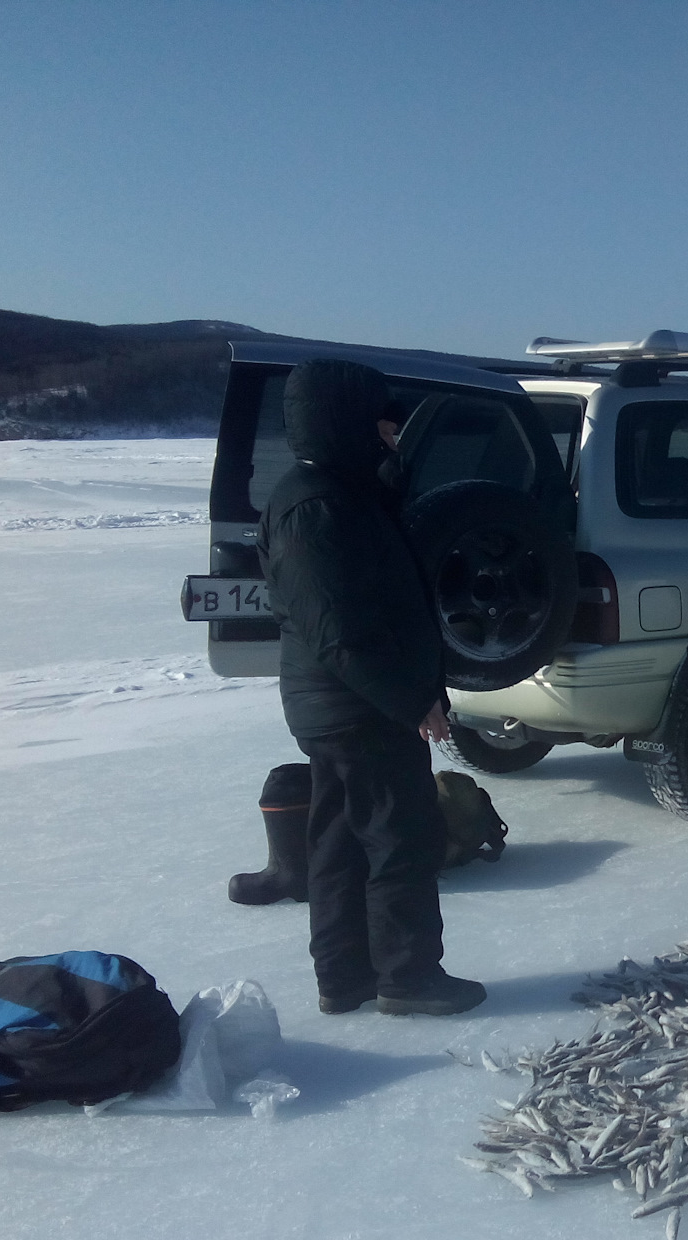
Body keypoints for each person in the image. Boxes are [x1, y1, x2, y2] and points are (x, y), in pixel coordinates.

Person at [257, 358, 487, 1016]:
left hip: (346, 706)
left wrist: (387, 473)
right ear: (345, 423)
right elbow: (342, 631)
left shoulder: (340, 493)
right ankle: (408, 978)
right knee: (402, 839)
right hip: (358, 706)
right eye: (384, 425)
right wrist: (414, 702)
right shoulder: (316, 505)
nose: (394, 437)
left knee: (340, 843)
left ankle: (346, 976)